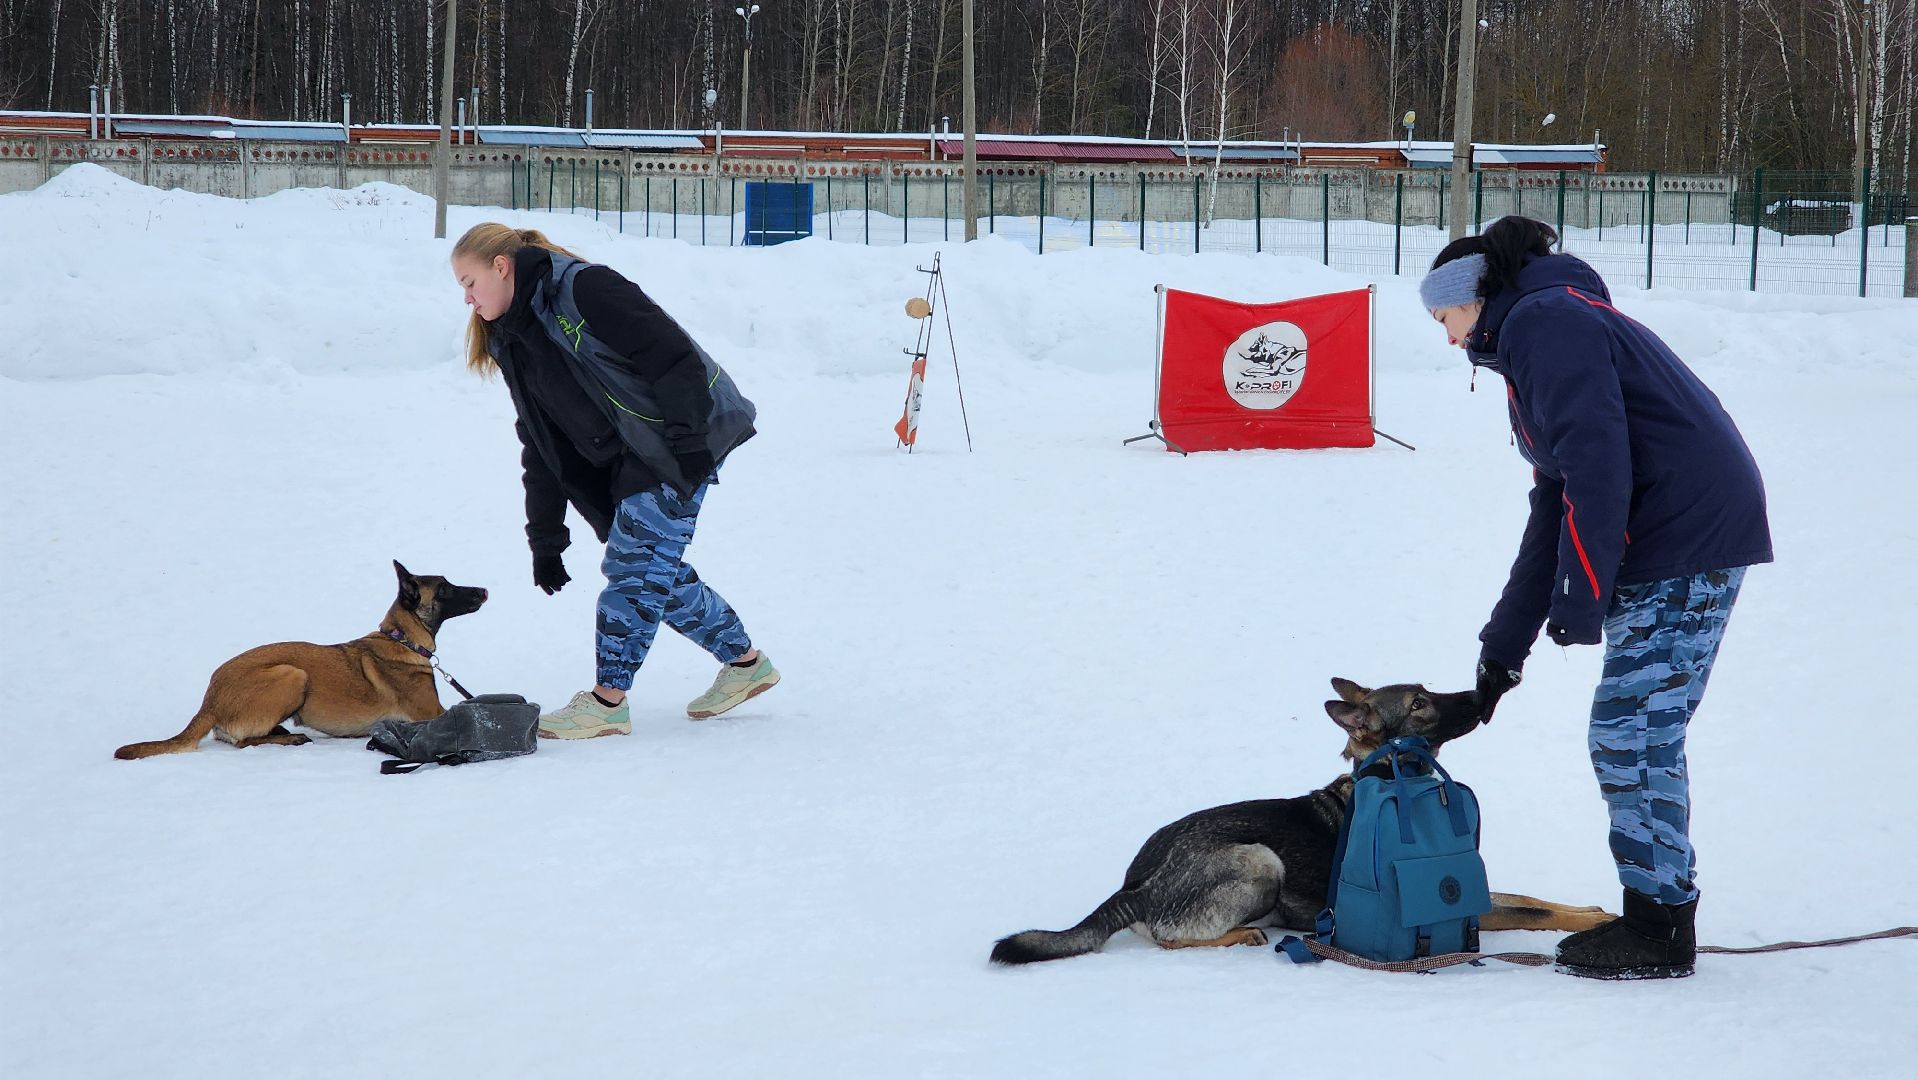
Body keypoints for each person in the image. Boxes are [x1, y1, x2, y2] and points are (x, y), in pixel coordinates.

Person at [1421, 216, 1771, 980]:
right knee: (1633, 729)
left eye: (1443, 319)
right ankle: (1656, 912)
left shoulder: (1548, 324)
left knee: (1632, 732)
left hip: (1687, 532)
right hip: (1673, 531)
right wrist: (1500, 654)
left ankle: (1658, 929)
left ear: (1473, 299)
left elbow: (1598, 470)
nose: (1447, 340)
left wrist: (1580, 599)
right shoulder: (1535, 335)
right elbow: (1555, 499)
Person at [450, 223, 778, 738]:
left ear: (501, 266)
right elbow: (540, 442)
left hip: (677, 436)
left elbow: (672, 355)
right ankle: (746, 664)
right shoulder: (511, 339)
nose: (467, 299)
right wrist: (546, 539)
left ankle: (607, 702)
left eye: (469, 282)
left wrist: (687, 445)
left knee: (633, 566)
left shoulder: (584, 288)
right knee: (654, 569)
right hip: (627, 454)